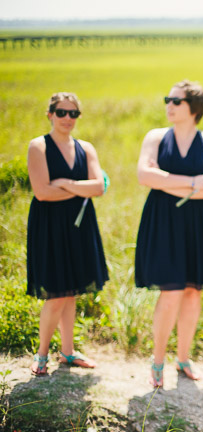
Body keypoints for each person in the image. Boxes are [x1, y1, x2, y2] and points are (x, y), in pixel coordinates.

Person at [135, 80, 203, 388]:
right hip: (163, 222)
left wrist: (166, 181)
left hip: (198, 223)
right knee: (170, 290)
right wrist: (191, 181)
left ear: (194, 108)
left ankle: (183, 357)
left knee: (192, 291)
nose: (169, 106)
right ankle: (157, 360)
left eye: (176, 101)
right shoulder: (156, 137)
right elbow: (144, 176)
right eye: (167, 100)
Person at [27, 92, 108, 375]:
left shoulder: (86, 148)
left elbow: (98, 187)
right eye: (61, 112)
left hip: (80, 224)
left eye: (73, 114)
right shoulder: (38, 146)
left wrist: (65, 182)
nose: (67, 119)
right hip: (49, 226)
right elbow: (42, 192)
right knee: (57, 292)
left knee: (71, 290)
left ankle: (68, 352)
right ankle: (41, 354)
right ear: (50, 114)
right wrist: (78, 188)